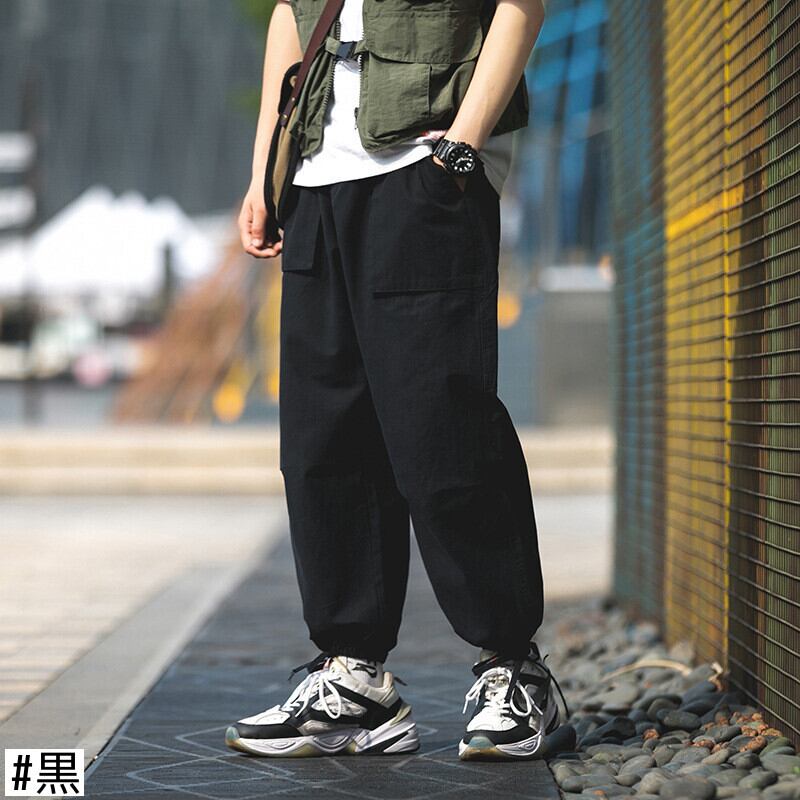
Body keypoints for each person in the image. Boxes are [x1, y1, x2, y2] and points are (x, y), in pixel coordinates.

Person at [227, 0, 562, 762]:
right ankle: (354, 681)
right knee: (323, 443)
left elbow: (521, 6)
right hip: (315, 174)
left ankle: (514, 668)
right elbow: (289, 16)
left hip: (423, 167)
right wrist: (266, 170)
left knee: (442, 428)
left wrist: (464, 149)